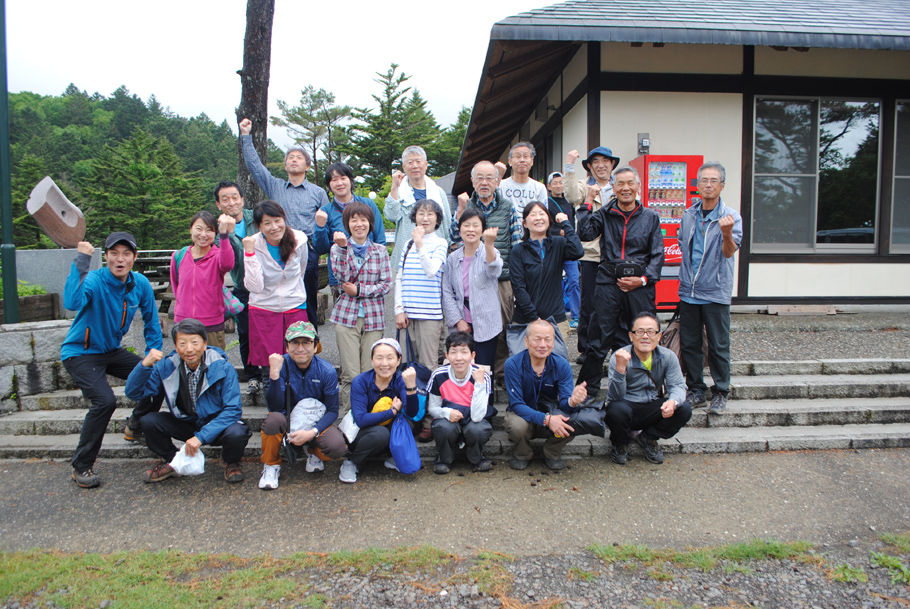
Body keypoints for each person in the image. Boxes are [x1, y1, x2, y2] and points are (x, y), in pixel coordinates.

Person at [63, 232, 163, 488]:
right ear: (105, 256)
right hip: (80, 353)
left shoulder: (139, 284)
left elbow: (151, 321)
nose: (120, 259)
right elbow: (72, 302)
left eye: (126, 254)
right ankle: (81, 465)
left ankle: (135, 425)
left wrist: (154, 354)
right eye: (114, 254)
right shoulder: (95, 280)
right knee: (104, 401)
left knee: (158, 376)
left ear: (135, 258)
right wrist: (82, 261)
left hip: (110, 351)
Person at [575, 166, 664, 403]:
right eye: (620, 184)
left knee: (643, 336)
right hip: (608, 280)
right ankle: (586, 390)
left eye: (630, 183)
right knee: (598, 338)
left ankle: (647, 389)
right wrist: (587, 202)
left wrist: (643, 279)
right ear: (613, 188)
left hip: (640, 285)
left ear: (638, 187)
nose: (625, 188)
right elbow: (584, 233)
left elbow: (658, 255)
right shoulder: (605, 213)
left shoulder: (651, 217)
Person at [125, 318, 251, 483]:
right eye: (182, 343)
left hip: (216, 424)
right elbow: (134, 393)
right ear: (176, 346)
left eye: (194, 342)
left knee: (238, 432)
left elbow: (233, 410)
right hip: (186, 422)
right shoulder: (166, 366)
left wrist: (201, 437)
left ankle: (231, 462)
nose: (189, 349)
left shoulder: (223, 367)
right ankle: (173, 462)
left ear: (204, 343)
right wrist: (144, 365)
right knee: (148, 421)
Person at [239, 117, 328, 325]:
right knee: (277, 300)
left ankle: (311, 344)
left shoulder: (318, 192)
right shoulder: (275, 186)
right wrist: (246, 136)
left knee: (307, 300)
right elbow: (255, 166)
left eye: (299, 157)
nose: (294, 160)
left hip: (307, 250)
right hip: (275, 249)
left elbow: (325, 222)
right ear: (285, 164)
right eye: (290, 157)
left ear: (307, 166)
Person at [678, 162, 743, 415]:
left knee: (718, 344)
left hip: (716, 292)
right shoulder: (688, 214)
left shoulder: (731, 217)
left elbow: (729, 253)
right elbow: (684, 248)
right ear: (697, 185)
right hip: (689, 291)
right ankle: (696, 389)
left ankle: (721, 391)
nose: (707, 184)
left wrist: (726, 233)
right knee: (690, 344)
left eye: (713, 180)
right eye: (703, 180)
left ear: (722, 185)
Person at [452, 160, 523, 378]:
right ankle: (475, 376)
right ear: (472, 181)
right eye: (479, 178)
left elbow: (517, 243)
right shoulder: (466, 207)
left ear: (497, 180)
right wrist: (461, 212)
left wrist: (517, 279)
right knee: (476, 331)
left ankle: (498, 374)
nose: (484, 183)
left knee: (500, 329)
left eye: (489, 178)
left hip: (502, 278)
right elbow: (454, 241)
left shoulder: (508, 206)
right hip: (474, 279)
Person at [258, 321, 347, 490]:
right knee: (272, 420)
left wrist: (312, 432)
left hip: (315, 420)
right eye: (295, 343)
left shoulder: (326, 371)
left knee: (337, 446)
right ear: (287, 346)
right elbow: (274, 407)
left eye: (306, 342)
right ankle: (271, 465)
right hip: (287, 419)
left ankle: (314, 452)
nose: (300, 348)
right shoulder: (280, 365)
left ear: (315, 346)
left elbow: (333, 410)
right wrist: (274, 376)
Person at [329, 201, 392, 414]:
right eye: (353, 220)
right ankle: (350, 418)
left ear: (370, 223)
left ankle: (370, 416)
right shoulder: (338, 248)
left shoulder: (380, 251)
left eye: (363, 219)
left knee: (370, 370)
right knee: (350, 373)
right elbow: (340, 276)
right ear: (347, 224)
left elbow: (386, 284)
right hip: (346, 317)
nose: (359, 224)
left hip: (374, 317)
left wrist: (360, 290)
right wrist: (343, 248)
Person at [504, 320, 591, 471]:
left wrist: (572, 401)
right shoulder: (512, 364)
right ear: (526, 341)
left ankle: (552, 452)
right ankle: (522, 453)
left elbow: (564, 402)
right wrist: (547, 420)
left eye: (548, 339)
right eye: (537, 339)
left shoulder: (561, 364)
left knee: (575, 420)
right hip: (524, 415)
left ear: (553, 341)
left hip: (551, 411)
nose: (543, 344)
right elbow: (516, 404)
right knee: (516, 425)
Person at [604, 313, 690, 465]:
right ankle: (619, 444)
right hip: (627, 407)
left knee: (684, 408)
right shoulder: (619, 356)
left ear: (659, 336)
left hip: (653, 407)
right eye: (640, 331)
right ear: (631, 336)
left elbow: (677, 386)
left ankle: (648, 438)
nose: (645, 336)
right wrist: (620, 369)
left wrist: (672, 402)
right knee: (616, 410)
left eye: (651, 332)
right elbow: (614, 397)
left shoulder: (668, 356)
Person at [563, 147, 620, 362]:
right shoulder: (583, 188)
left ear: (612, 164)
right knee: (589, 303)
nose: (601, 165)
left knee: (616, 304)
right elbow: (569, 193)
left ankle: (616, 347)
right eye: (595, 161)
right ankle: (586, 349)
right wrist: (569, 165)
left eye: (606, 160)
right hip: (590, 255)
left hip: (617, 256)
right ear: (589, 166)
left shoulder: (619, 187)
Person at [242, 200, 310, 381]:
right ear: (259, 226)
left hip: (295, 306)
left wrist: (293, 293)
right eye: (267, 223)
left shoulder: (299, 239)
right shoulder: (253, 244)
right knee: (268, 365)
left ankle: (296, 404)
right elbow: (255, 286)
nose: (274, 227)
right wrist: (249, 254)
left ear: (284, 219)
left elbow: (300, 272)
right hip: (263, 309)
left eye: (277, 220)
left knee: (298, 360)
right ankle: (273, 405)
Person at [508, 201, 583, 360]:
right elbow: (518, 288)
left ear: (549, 219)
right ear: (524, 223)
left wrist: (565, 223)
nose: (538, 218)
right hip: (525, 319)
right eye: (533, 215)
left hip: (555, 318)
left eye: (542, 214)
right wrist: (534, 318)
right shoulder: (518, 251)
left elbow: (578, 250)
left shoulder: (558, 244)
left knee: (556, 365)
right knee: (524, 366)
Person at [339, 338, 419, 484]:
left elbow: (412, 412)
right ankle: (352, 462)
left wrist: (411, 388)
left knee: (409, 424)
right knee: (380, 434)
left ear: (398, 359)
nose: (384, 364)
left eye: (390, 358)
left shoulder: (400, 380)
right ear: (371, 360)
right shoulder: (361, 381)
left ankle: (392, 456)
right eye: (379, 358)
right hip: (362, 432)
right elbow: (361, 420)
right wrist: (391, 412)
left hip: (386, 430)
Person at [213, 180, 262, 394]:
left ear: (242, 199)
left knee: (268, 330)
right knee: (245, 334)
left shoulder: (258, 217)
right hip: (243, 287)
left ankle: (271, 372)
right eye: (225, 199)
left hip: (266, 286)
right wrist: (229, 234)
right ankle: (252, 375)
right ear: (218, 204)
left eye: (235, 197)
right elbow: (232, 260)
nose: (231, 202)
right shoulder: (216, 230)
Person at [314, 162, 386, 300]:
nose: (339, 183)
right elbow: (320, 249)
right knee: (344, 318)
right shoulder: (325, 212)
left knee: (372, 318)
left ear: (350, 180)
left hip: (370, 273)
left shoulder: (368, 204)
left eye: (343, 178)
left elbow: (380, 238)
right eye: (334, 180)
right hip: (341, 277)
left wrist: (379, 269)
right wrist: (320, 227)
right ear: (329, 186)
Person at [441, 209, 502, 369]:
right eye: (466, 225)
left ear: (482, 230)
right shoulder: (453, 258)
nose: (470, 229)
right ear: (460, 229)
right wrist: (457, 320)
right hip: (461, 322)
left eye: (476, 225)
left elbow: (494, 270)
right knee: (460, 369)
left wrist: (489, 245)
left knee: (483, 370)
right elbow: (447, 291)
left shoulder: (490, 252)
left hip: (486, 322)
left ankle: (486, 395)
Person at [427, 332, 494, 474]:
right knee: (443, 427)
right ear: (446, 355)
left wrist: (479, 385)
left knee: (478, 429)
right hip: (449, 420)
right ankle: (444, 459)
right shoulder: (438, 375)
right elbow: (432, 408)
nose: (458, 358)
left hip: (473, 419)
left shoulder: (482, 377)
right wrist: (446, 412)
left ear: (473, 355)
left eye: (464, 352)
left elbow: (477, 416)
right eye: (453, 352)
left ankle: (476, 458)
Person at [170, 211, 235, 350]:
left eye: (209, 230)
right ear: (191, 229)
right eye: (199, 229)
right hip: (183, 323)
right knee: (185, 366)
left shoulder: (217, 256)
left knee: (214, 365)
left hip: (211, 324)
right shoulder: (178, 256)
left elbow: (228, 264)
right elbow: (177, 286)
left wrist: (224, 235)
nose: (203, 234)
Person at [385, 146, 451, 274]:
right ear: (404, 167)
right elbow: (391, 215)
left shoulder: (438, 192)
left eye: (418, 161)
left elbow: (446, 222)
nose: (415, 166)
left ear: (426, 165)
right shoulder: (399, 191)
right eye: (410, 162)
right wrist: (394, 188)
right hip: (407, 254)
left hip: (434, 253)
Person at [546, 171, 580, 329]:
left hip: (569, 247)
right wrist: (557, 232)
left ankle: (576, 315)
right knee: (554, 281)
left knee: (574, 280)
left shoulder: (569, 202)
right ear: (549, 186)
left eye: (561, 182)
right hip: (554, 247)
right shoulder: (546, 202)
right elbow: (544, 227)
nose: (559, 185)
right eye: (555, 183)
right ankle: (555, 314)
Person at [498, 142, 548, 216]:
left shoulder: (539, 188)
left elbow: (543, 214)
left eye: (525, 156)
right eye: (518, 156)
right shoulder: (501, 185)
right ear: (510, 161)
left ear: (532, 161)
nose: (522, 160)